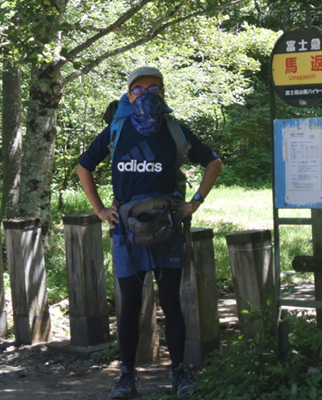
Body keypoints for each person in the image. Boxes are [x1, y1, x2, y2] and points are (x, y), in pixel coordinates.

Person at [77, 66, 223, 398]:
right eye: (138, 89)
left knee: (171, 302)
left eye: (153, 88)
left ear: (163, 93)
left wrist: (195, 202)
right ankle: (126, 377)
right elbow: (84, 165)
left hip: (167, 229)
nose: (146, 94)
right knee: (129, 304)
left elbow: (214, 161)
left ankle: (178, 374)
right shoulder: (117, 129)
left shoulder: (174, 129)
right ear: (128, 94)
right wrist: (100, 210)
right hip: (125, 232)